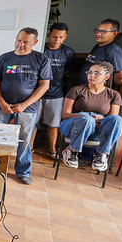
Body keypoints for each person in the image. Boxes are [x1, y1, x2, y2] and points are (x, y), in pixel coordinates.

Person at [0, 28, 52, 185]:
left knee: (24, 139)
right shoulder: (5, 58)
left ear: (34, 43)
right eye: (18, 40)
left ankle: (23, 171)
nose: (20, 44)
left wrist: (24, 105)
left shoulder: (41, 59)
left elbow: (44, 86)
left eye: (25, 42)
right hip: (1, 106)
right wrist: (2, 103)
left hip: (27, 108)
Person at [60, 62, 122, 172]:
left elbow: (112, 120)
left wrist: (101, 119)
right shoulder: (77, 90)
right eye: (89, 72)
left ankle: (101, 154)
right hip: (73, 126)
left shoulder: (114, 95)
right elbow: (65, 114)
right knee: (88, 120)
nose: (91, 75)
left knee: (118, 120)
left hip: (97, 129)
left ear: (106, 77)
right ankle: (72, 150)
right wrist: (86, 116)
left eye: (96, 73)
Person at [36, 23, 76, 158]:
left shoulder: (68, 52)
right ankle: (28, 149)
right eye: (54, 37)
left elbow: (68, 71)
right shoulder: (40, 50)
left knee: (53, 124)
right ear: (48, 35)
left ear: (65, 37)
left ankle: (52, 149)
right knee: (33, 122)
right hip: (36, 93)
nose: (57, 40)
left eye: (60, 37)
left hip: (56, 93)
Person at [77, 19, 122, 87]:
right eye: (98, 30)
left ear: (114, 33)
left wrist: (106, 89)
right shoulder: (98, 46)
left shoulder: (114, 50)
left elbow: (121, 76)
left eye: (103, 31)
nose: (98, 34)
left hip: (96, 92)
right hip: (86, 88)